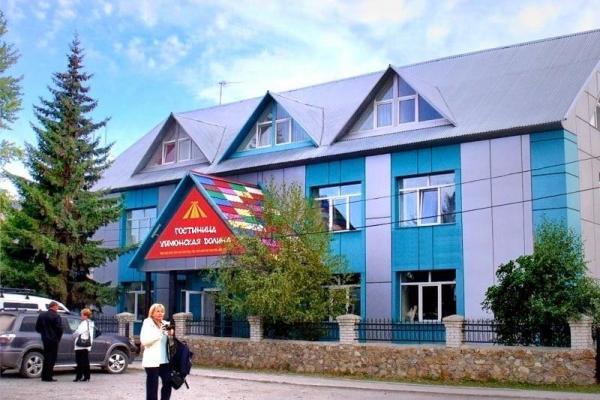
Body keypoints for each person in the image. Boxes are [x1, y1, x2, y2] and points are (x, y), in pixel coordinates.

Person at [140, 303, 174, 400]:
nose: (160, 313)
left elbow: (171, 342)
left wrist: (171, 334)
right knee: (153, 385)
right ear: (152, 313)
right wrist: (159, 333)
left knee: (168, 382)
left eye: (162, 311)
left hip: (165, 360)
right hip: (152, 360)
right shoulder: (147, 323)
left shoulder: (165, 324)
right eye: (158, 311)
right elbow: (144, 341)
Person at [35, 301, 64, 382]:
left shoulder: (42, 315)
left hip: (45, 339)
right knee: (52, 358)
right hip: (53, 340)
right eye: (57, 307)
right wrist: (58, 338)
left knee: (46, 357)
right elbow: (59, 329)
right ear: (54, 306)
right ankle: (49, 376)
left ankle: (44, 376)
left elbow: (37, 327)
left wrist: (43, 334)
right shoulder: (56, 316)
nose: (57, 308)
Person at [72, 308, 95, 382]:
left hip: (80, 345)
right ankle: (87, 376)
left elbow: (78, 332)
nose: (81, 316)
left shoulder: (84, 323)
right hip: (87, 344)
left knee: (79, 362)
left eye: (81, 314)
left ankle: (79, 376)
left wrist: (73, 335)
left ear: (85, 315)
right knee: (85, 361)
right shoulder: (91, 323)